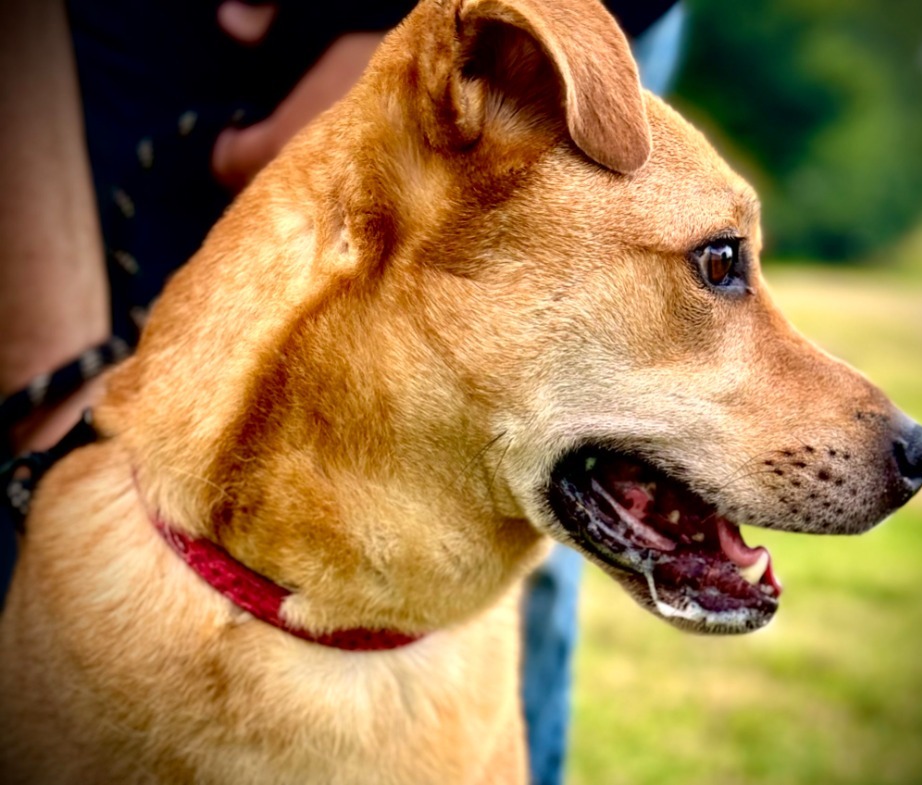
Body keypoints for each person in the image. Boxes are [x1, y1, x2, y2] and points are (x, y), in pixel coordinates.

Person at [0, 2, 679, 783]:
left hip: (543, 39)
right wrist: (45, 369)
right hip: (108, 86)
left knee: (528, 494)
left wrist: (391, 27)